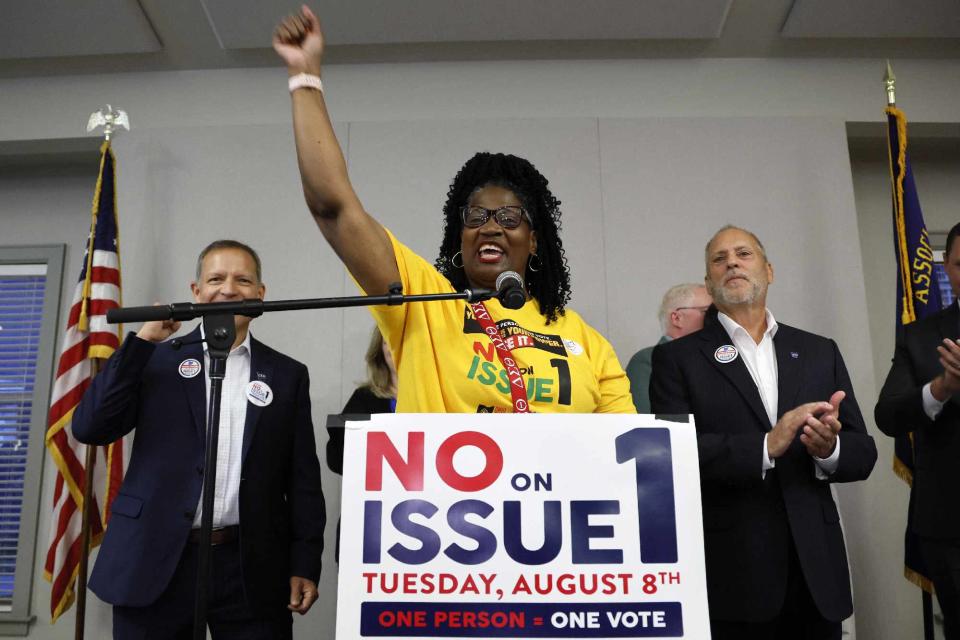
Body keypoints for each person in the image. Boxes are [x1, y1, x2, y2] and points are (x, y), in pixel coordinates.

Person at [273, 7, 634, 414]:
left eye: (509, 218)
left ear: (533, 241)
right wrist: (304, 76)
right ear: (459, 236)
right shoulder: (425, 306)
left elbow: (628, 457)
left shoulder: (588, 343)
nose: (491, 228)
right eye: (476, 217)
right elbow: (332, 208)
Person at [71, 240, 326, 639]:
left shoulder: (287, 374)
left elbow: (303, 482)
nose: (228, 290)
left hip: (248, 566)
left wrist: (305, 562)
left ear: (261, 294)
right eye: (216, 279)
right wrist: (140, 342)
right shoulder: (156, 357)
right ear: (195, 292)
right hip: (156, 558)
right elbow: (90, 427)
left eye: (243, 280)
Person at [650, 225, 876, 640]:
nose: (731, 262)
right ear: (708, 283)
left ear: (769, 271)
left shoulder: (817, 350)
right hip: (732, 575)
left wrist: (829, 449)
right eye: (719, 259)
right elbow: (671, 453)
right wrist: (765, 446)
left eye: (743, 254)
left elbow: (863, 452)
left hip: (816, 574)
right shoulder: (676, 359)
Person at [875, 222, 960, 640]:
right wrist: (940, 389)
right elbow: (887, 415)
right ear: (947, 267)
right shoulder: (922, 336)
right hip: (949, 524)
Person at [625, 283, 712, 412]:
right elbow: (650, 423)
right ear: (677, 318)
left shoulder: (716, 358)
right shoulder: (646, 361)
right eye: (707, 311)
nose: (715, 317)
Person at [328, 326, 397, 475]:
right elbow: (337, 460)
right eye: (388, 340)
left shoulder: (441, 395)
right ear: (379, 351)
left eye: (404, 339)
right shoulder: (364, 397)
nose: (396, 345)